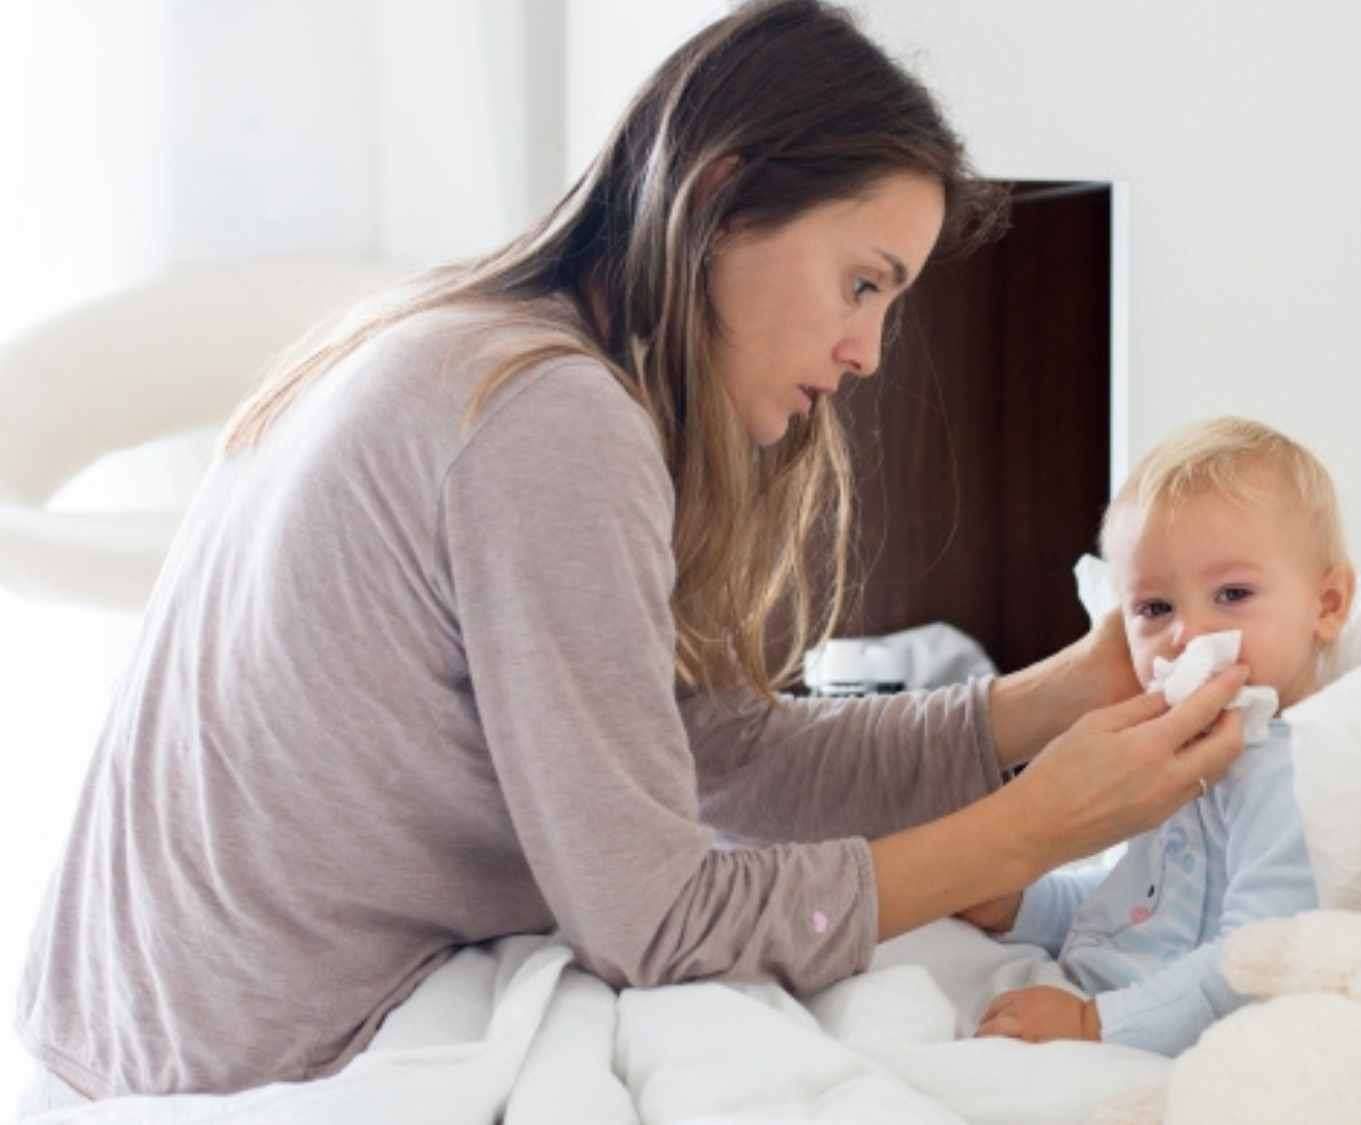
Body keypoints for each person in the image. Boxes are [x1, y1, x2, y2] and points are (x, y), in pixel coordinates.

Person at [13, 0, 1249, 1104]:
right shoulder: (549, 415)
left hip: (130, 1025)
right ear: (717, 197)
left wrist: (1049, 702)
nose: (869, 352)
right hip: (247, 1055)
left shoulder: (469, 339)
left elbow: (708, 753)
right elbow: (654, 920)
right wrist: (1029, 831)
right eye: (861, 283)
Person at [963, 417, 1357, 1056]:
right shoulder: (1176, 751)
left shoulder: (1295, 773)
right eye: (1155, 608)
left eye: (1232, 594)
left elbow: (1252, 965)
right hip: (1085, 994)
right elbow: (1134, 910)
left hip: (1159, 1040)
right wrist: (1023, 906)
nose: (1186, 634)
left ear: (1328, 605)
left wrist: (1097, 1025)